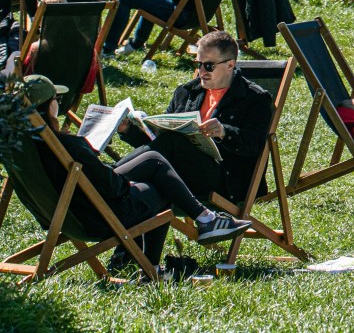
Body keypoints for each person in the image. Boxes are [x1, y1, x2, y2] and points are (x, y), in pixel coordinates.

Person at [24, 74, 252, 270]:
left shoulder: (26, 149)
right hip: (97, 216)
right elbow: (112, 187)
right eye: (57, 99)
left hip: (66, 213)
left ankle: (205, 221)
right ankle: (152, 263)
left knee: (153, 159)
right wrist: (126, 182)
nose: (59, 104)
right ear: (47, 106)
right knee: (159, 186)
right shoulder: (69, 145)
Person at [116, 30, 274, 204]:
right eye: (198, 64)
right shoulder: (187, 92)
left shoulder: (255, 99)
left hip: (227, 182)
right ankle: (113, 179)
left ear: (230, 65)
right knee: (147, 190)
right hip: (181, 172)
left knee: (171, 142)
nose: (201, 71)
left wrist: (224, 132)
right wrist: (129, 131)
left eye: (209, 66)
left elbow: (255, 145)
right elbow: (158, 144)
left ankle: (111, 177)